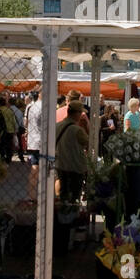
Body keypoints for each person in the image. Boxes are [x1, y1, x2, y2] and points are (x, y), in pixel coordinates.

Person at [54, 101, 89, 241]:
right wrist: (85, 126)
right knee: (74, 197)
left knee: (63, 195)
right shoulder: (77, 130)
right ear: (76, 113)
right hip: (75, 167)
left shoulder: (57, 126)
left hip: (61, 165)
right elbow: (87, 142)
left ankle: (62, 220)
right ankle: (71, 225)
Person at [0, 94, 18, 161]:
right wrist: (15, 130)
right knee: (9, 145)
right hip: (11, 130)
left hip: (3, 131)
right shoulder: (10, 110)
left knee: (1, 145)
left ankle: (2, 157)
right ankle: (9, 158)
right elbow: (14, 121)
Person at [24, 93, 44, 165]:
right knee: (37, 167)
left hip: (33, 141)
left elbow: (25, 122)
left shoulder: (30, 107)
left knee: (35, 166)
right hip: (41, 141)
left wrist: (27, 130)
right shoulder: (44, 107)